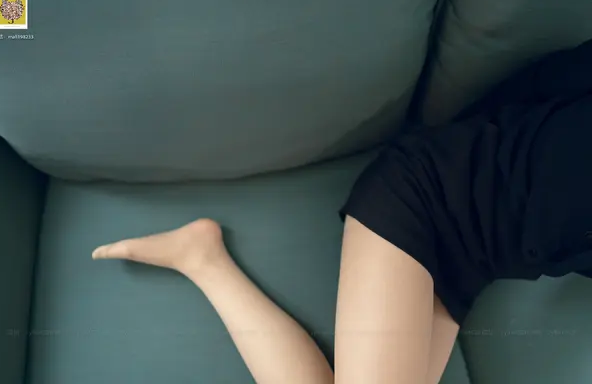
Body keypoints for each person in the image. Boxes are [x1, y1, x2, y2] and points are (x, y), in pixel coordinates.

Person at [92, 38, 592, 384]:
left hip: (475, 262)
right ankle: (203, 261)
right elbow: (536, 88)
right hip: (424, 199)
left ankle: (203, 258)